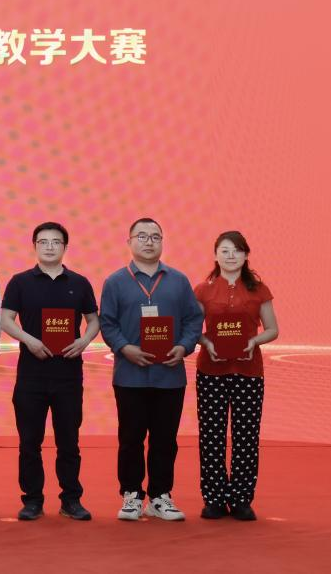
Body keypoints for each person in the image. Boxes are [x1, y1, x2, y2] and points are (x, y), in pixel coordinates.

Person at [99, 218, 203, 521]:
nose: (149, 242)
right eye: (142, 236)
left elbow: (193, 320)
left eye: (155, 237)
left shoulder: (178, 281)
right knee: (130, 438)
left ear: (162, 242)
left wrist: (184, 346)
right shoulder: (115, 282)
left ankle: (160, 496)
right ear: (129, 242)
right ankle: (131, 495)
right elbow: (107, 322)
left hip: (169, 376)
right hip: (129, 375)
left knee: (165, 439)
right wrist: (124, 347)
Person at [0, 222, 99, 522]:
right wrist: (28, 340)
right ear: (35, 246)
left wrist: (84, 341)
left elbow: (94, 320)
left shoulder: (79, 282)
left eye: (56, 242)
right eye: (43, 242)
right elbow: (5, 319)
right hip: (31, 374)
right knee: (29, 442)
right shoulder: (20, 282)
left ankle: (71, 499)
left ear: (65, 247)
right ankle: (32, 500)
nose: (50, 247)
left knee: (69, 441)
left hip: (68, 374)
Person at [194, 231, 278, 521]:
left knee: (246, 437)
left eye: (237, 251)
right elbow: (193, 328)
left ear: (245, 255)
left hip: (248, 371)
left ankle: (242, 499)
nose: (231, 256)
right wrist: (207, 343)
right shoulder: (202, 290)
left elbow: (272, 329)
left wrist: (254, 341)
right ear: (215, 255)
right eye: (225, 251)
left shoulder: (259, 290)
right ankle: (214, 499)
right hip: (211, 370)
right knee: (212, 436)